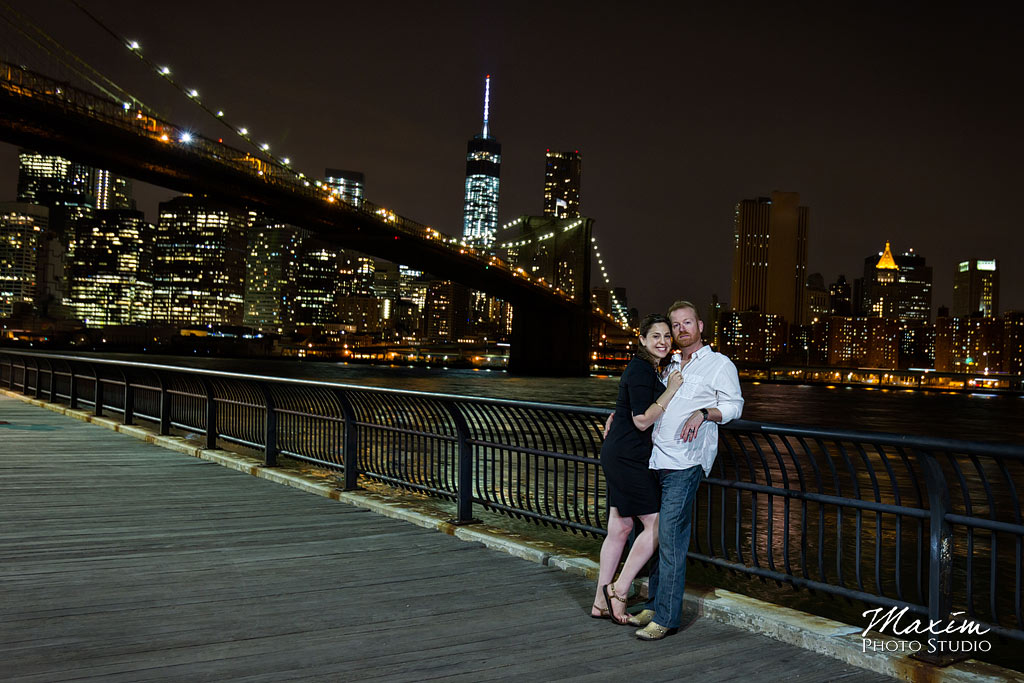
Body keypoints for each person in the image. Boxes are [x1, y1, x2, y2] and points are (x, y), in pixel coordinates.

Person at [632, 300, 744, 640]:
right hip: (656, 459)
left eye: (687, 323)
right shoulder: (668, 364)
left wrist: (705, 413)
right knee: (658, 536)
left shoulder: (718, 364)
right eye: (675, 325)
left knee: (671, 538)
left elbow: (734, 404)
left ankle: (666, 619)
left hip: (686, 462)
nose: (681, 330)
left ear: (700, 327)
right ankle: (654, 604)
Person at [592, 313, 683, 625]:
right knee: (656, 524)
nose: (663, 341)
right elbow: (642, 419)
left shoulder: (644, 368)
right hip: (628, 457)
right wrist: (671, 389)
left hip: (620, 452)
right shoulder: (643, 368)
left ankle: (599, 601)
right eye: (655, 336)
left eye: (667, 336)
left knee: (620, 527)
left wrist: (615, 413)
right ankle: (618, 591)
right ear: (642, 339)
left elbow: (628, 405)